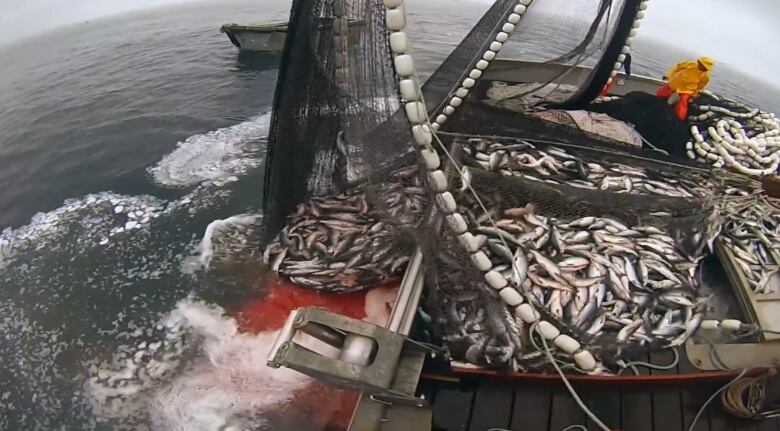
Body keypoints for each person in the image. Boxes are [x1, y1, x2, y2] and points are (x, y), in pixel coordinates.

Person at [656, 56, 715, 120]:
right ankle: (657, 104)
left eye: (704, 66)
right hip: (674, 83)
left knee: (683, 102)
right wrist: (668, 75)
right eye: (702, 64)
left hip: (687, 90)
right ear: (699, 62)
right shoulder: (690, 64)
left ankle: (678, 119)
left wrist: (694, 94)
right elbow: (677, 67)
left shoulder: (706, 76)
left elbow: (701, 86)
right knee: (661, 93)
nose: (702, 66)